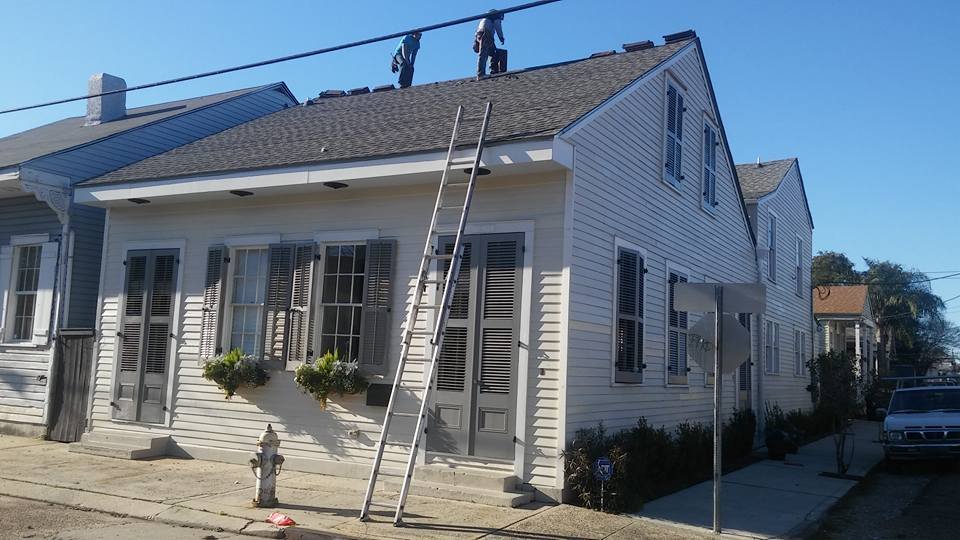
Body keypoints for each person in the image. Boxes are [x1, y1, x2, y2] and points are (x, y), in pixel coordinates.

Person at [474, 10, 505, 79]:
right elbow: (498, 26)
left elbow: (478, 31)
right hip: (486, 35)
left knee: (493, 52)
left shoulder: (484, 19)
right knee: (484, 54)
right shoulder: (496, 17)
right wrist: (501, 37)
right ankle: (481, 74)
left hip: (479, 34)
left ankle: (493, 70)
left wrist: (475, 42)